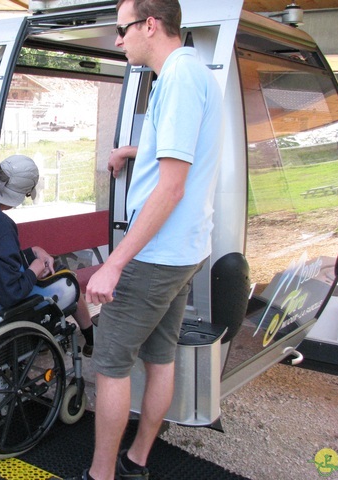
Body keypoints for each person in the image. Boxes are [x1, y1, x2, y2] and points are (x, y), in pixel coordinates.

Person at [70, 1, 223, 479]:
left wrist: (115, 262)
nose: (118, 40)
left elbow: (171, 187)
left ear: (150, 25)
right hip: (186, 252)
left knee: (110, 365)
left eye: (122, 29)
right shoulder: (192, 72)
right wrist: (132, 150)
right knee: (161, 357)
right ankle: (136, 461)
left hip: (155, 255)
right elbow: (180, 149)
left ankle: (101, 475)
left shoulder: (176, 79)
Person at [0, 155, 94, 355]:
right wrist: (34, 269)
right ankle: (92, 341)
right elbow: (12, 293)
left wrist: (32, 253)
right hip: (2, 309)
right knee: (68, 279)